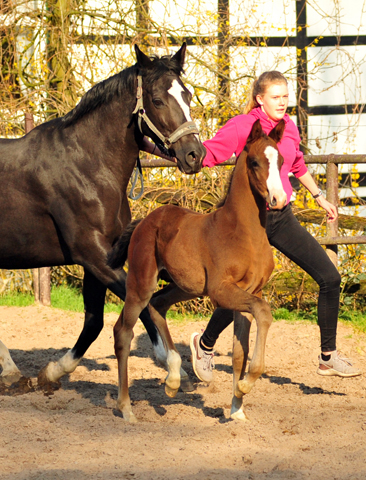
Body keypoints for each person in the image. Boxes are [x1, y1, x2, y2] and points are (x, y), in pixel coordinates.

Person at [142, 70, 362, 382]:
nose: (283, 102)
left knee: (329, 276)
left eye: (286, 96)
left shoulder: (288, 128)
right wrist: (158, 149)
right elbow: (210, 154)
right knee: (237, 287)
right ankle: (204, 346)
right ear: (260, 99)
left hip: (280, 218)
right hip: (245, 224)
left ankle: (328, 356)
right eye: (276, 97)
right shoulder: (244, 126)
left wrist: (319, 197)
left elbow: (296, 163)